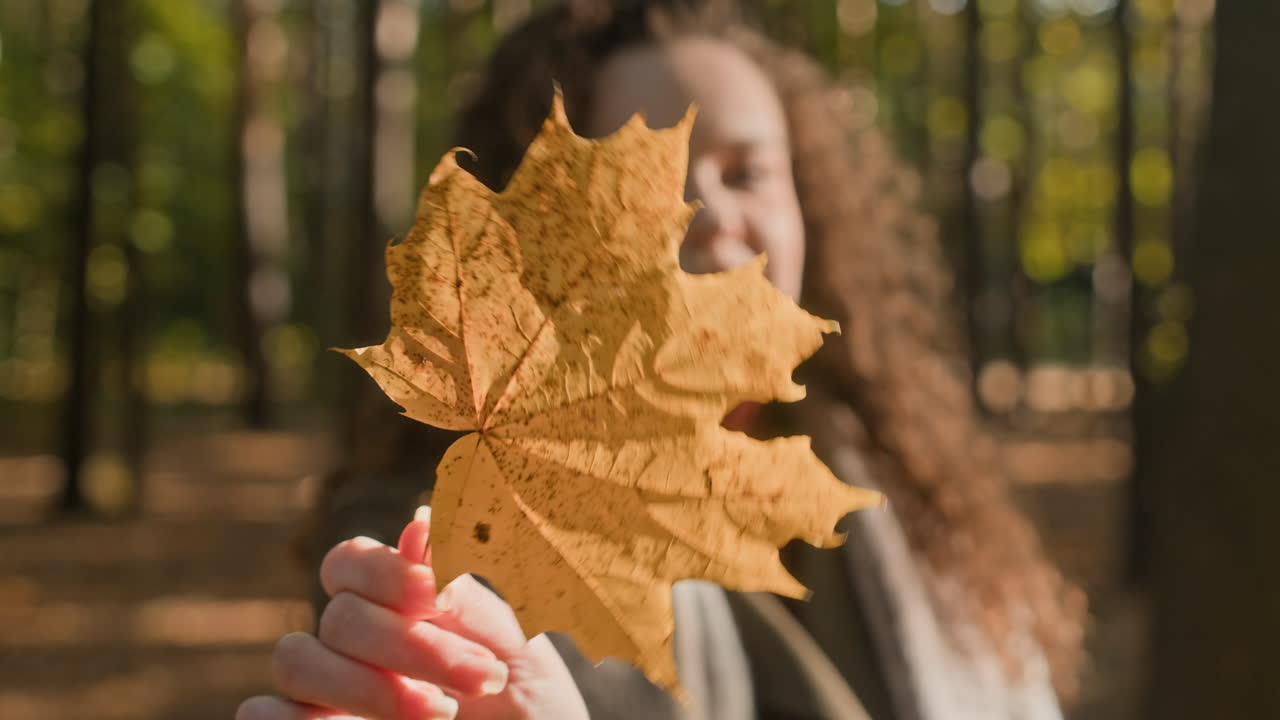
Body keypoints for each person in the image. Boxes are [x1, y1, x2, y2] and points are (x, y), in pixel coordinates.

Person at [238, 1, 1086, 718]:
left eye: (748, 170)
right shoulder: (446, 534)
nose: (712, 212)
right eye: (650, 175)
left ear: (809, 210)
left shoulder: (909, 496)